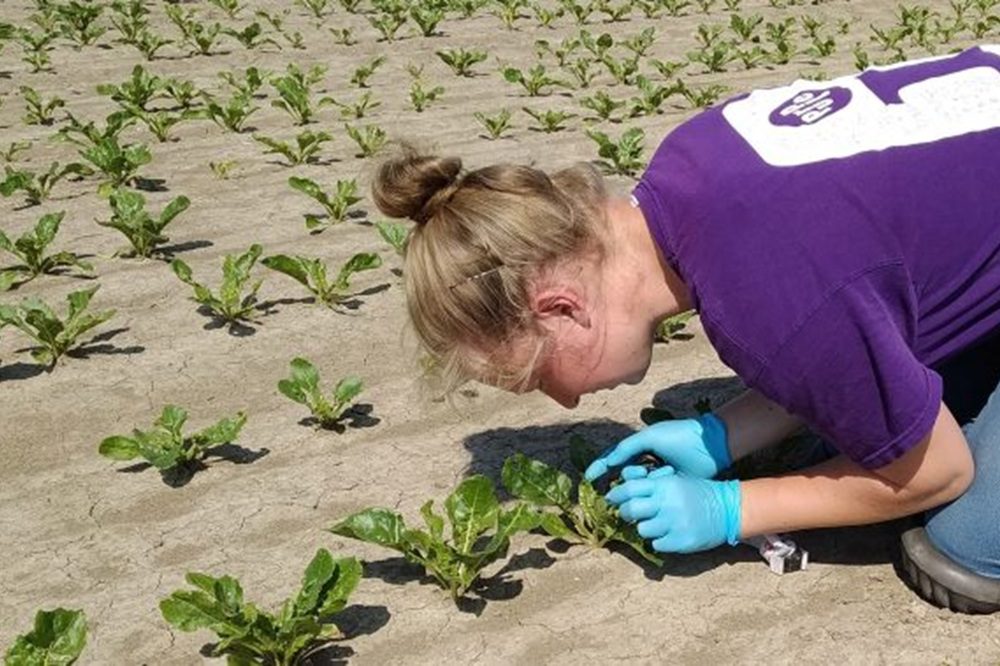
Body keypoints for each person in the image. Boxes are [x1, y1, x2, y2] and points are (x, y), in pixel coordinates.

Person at [371, 44, 1000, 613]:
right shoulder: (690, 164)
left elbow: (936, 472)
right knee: (850, 443)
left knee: (964, 549)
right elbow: (836, 315)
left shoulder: (767, 294)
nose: (565, 401)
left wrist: (734, 509)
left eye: (539, 377)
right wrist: (722, 435)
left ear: (562, 309)